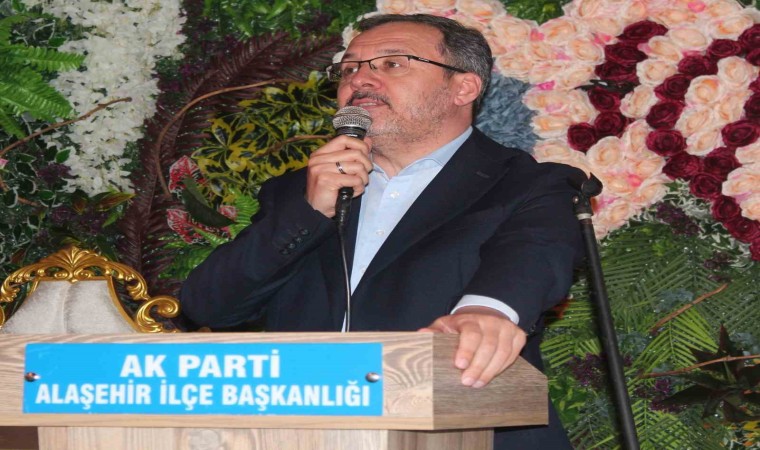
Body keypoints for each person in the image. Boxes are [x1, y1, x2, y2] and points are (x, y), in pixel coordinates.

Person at [180, 13, 584, 449]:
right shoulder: (297, 192)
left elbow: (532, 255)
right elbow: (209, 306)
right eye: (349, 68)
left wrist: (486, 315)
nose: (359, 80)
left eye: (392, 64)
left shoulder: (528, 184)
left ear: (463, 87)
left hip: (467, 433)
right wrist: (309, 211)